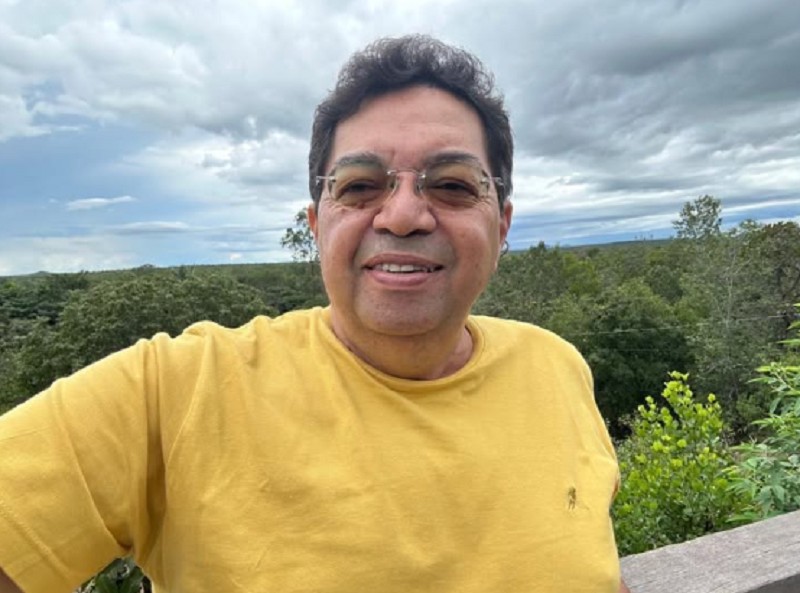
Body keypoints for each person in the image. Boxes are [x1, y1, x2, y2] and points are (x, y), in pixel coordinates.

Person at [0, 35, 630, 592]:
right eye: (359, 186)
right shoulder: (174, 390)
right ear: (317, 225)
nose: (402, 216)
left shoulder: (556, 367)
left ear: (502, 224)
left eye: (453, 185)